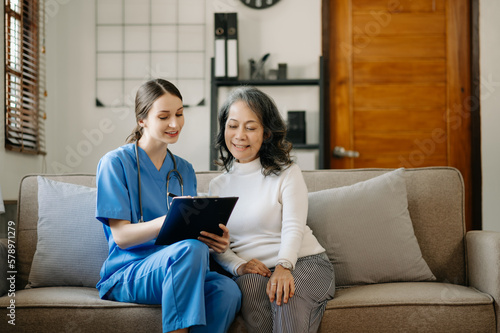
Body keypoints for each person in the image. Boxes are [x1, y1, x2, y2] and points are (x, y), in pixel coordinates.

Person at [95, 79, 241, 333]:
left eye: (180, 114)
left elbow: (189, 237)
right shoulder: (114, 164)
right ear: (142, 120)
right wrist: (167, 221)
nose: (175, 124)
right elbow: (121, 237)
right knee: (190, 250)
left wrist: (214, 239)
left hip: (179, 264)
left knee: (227, 289)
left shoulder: (184, 170)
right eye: (164, 116)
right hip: (129, 272)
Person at [209, 87, 335, 333]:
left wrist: (284, 267)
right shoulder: (217, 186)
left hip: (304, 263)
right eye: (233, 125)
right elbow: (217, 245)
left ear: (266, 133)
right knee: (251, 293)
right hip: (253, 272)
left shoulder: (287, 173)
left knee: (284, 297)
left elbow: (293, 226)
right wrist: (239, 266)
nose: (239, 135)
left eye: (251, 127)